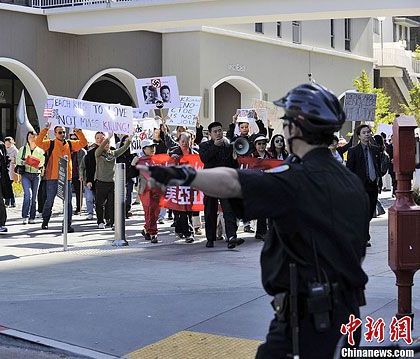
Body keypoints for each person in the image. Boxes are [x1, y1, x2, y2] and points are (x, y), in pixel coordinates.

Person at [139, 83, 369, 359]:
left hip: (307, 321)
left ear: (295, 128)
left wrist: (183, 175)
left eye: (286, 122)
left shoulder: (295, 178)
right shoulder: (351, 182)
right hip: (348, 314)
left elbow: (233, 182)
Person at [36, 124, 88, 231]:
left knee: (67, 202)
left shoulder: (69, 143)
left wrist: (78, 132)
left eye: (63, 132)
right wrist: (45, 129)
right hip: (52, 177)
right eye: (60, 132)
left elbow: (84, 143)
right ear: (55, 134)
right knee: (49, 201)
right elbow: (38, 142)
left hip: (66, 178)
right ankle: (45, 221)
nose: (62, 134)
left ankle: (67, 225)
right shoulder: (50, 143)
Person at [198, 121, 240, 249]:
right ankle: (210, 238)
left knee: (229, 210)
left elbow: (233, 166)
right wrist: (215, 147)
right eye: (215, 131)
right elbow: (205, 158)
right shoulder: (205, 145)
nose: (218, 133)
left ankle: (232, 236)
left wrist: (234, 159)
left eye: (220, 130)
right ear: (210, 134)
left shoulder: (228, 146)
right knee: (210, 211)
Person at [346, 124, 381, 246]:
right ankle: (363, 236)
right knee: (363, 212)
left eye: (368, 132)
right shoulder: (353, 151)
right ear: (359, 136)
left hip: (373, 185)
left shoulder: (375, 149)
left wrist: (379, 179)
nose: (367, 134)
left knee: (370, 211)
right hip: (360, 186)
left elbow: (378, 166)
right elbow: (349, 170)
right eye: (364, 133)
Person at [94, 133, 132, 229]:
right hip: (101, 182)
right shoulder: (98, 153)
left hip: (112, 182)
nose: (106, 145)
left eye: (108, 143)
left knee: (112, 204)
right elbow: (100, 148)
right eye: (104, 143)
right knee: (99, 203)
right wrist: (108, 138)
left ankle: (113, 222)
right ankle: (100, 221)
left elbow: (124, 148)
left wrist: (130, 139)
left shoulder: (113, 153)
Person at [168, 132, 198, 243]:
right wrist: (172, 158)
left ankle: (180, 228)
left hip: (190, 187)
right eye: (182, 141)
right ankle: (189, 233)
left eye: (187, 141)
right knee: (181, 211)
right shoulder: (174, 153)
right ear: (179, 142)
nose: (185, 143)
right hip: (178, 188)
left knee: (188, 210)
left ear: (191, 141)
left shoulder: (195, 154)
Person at [132, 139, 161, 243]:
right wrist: (133, 165)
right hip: (145, 190)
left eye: (154, 146)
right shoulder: (139, 160)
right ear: (144, 149)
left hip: (157, 189)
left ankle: (146, 229)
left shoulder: (158, 159)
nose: (153, 149)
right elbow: (131, 175)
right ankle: (153, 233)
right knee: (149, 211)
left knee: (156, 212)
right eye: (150, 147)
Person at [16, 131, 45, 225]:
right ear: (27, 138)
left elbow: (42, 162)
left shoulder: (40, 150)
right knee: (28, 195)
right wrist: (23, 162)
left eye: (33, 136)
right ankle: (25, 216)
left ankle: (32, 217)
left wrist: (38, 165)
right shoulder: (23, 149)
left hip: (36, 175)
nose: (32, 138)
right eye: (30, 136)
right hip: (26, 174)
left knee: (34, 197)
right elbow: (17, 160)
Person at [80, 132, 105, 221]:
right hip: (91, 178)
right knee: (89, 197)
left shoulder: (107, 151)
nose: (100, 140)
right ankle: (90, 212)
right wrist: (88, 179)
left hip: (103, 179)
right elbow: (87, 167)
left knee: (101, 200)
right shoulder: (90, 153)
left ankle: (103, 216)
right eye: (97, 138)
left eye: (102, 138)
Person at [4, 136, 18, 208]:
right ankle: (11, 202)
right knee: (8, 187)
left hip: (12, 170)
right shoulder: (4, 149)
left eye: (8, 143)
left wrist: (12, 159)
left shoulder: (15, 150)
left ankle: (8, 202)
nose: (7, 145)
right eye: (6, 143)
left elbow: (18, 160)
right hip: (6, 170)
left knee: (8, 186)